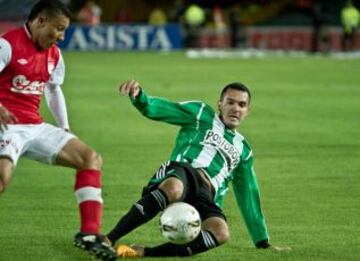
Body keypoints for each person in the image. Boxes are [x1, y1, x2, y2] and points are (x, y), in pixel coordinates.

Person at [107, 80, 290, 258]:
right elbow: (163, 109)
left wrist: (262, 241)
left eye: (242, 105)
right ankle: (108, 239)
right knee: (174, 188)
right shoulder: (201, 113)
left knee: (220, 232)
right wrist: (140, 96)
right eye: (230, 102)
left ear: (247, 111)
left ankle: (144, 252)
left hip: (206, 194)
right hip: (184, 172)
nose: (236, 108)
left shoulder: (244, 150)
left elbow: (248, 194)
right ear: (220, 104)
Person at [0, 1, 116, 260]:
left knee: (90, 159)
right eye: (59, 29)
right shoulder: (7, 45)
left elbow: (53, 89)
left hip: (35, 125)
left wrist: (64, 129)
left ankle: (88, 234)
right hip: (7, 126)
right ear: (40, 21)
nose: (61, 37)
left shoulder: (53, 53)